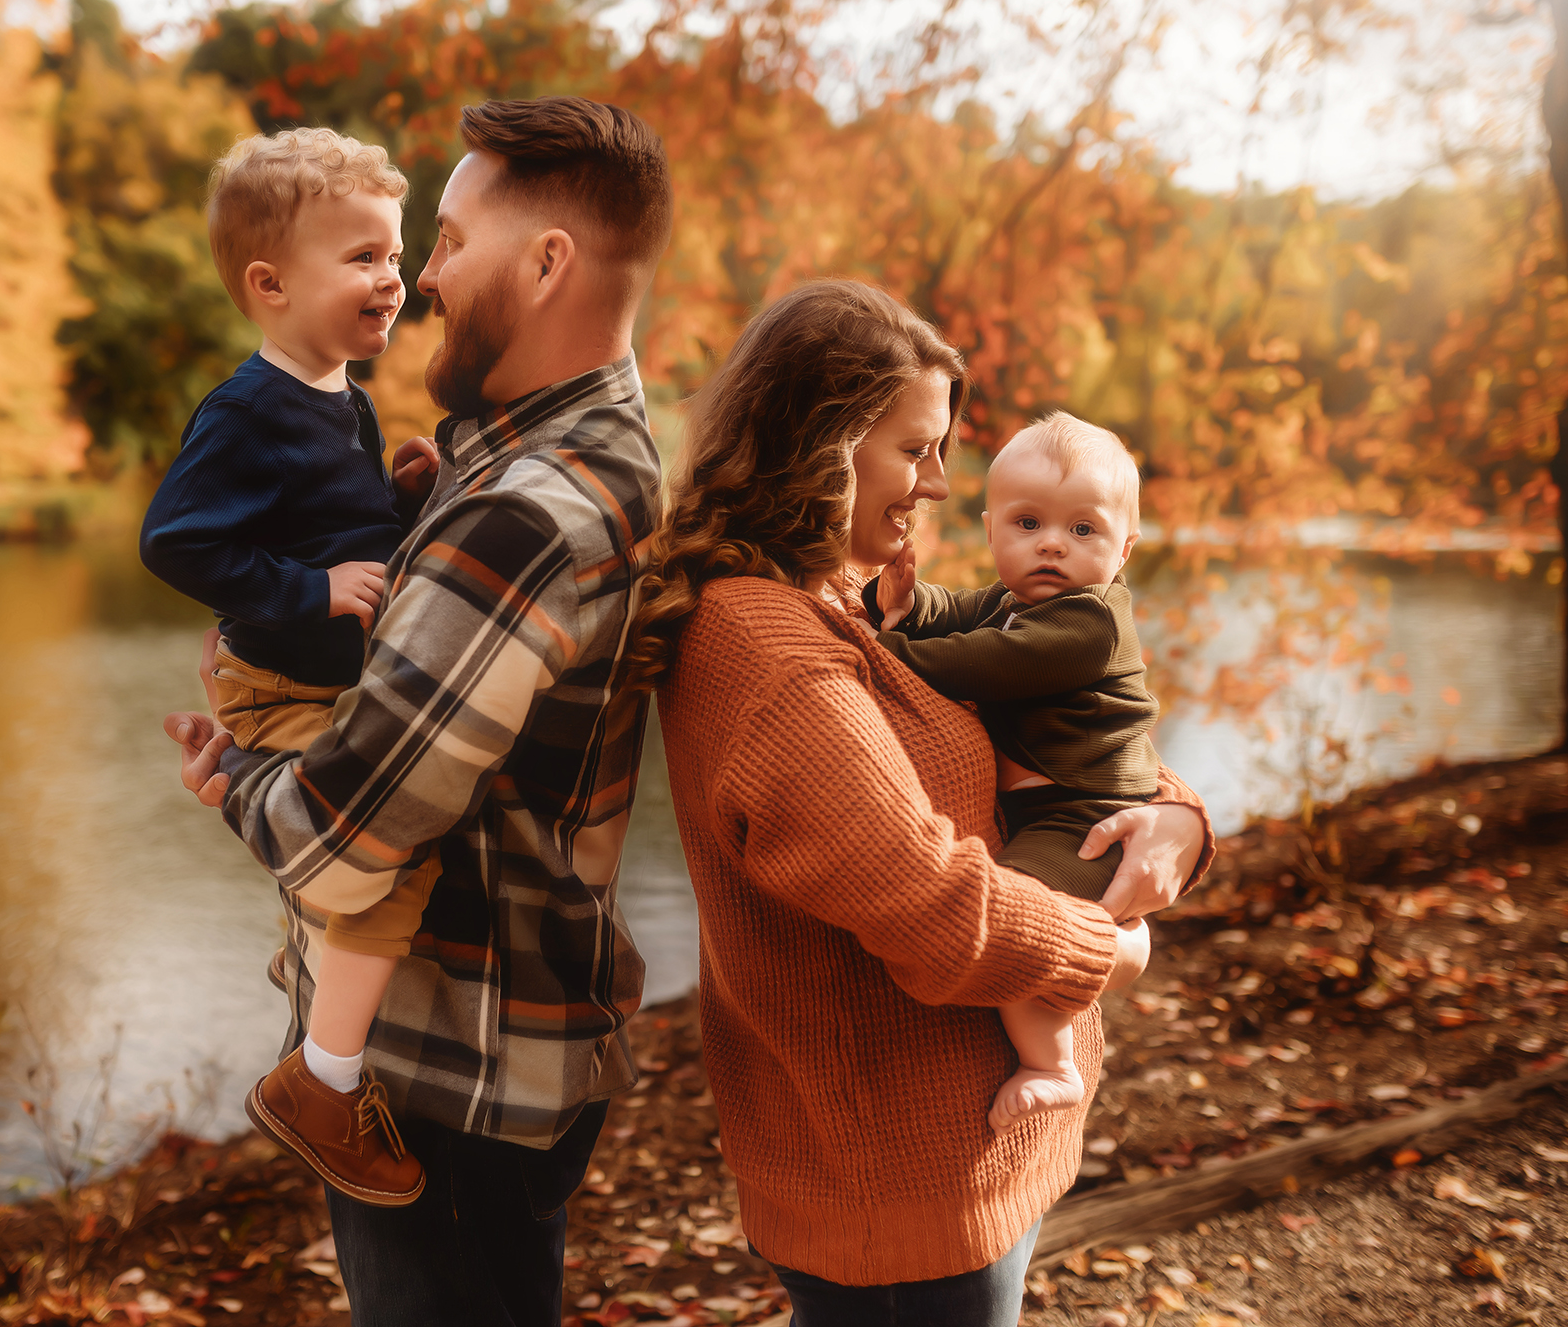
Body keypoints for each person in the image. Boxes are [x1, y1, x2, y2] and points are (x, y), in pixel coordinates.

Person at [165, 97, 673, 1325]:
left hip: (449, 1077)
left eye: (442, 240)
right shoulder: (559, 452)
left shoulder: (525, 508)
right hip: (502, 1048)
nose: (422, 276)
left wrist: (232, 775)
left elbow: (344, 836)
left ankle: (314, 1077)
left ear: (546, 261)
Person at [623, 280, 1211, 1325]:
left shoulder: (838, 597)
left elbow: (1059, 725)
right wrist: (1109, 950)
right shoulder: (774, 651)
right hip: (893, 1177)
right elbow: (935, 906)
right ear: (822, 442)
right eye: (914, 448)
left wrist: (1174, 814)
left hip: (956, 1154)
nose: (937, 485)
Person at [138, 128, 445, 1207]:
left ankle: (227, 769)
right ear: (268, 285)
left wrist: (401, 495)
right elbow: (176, 541)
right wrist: (302, 595)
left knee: (366, 851)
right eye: (360, 255)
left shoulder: (343, 397)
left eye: (393, 251)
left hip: (318, 682)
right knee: (384, 848)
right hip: (285, 681)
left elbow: (335, 526)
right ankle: (322, 1079)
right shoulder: (247, 410)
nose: (391, 274)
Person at [864, 411, 1161, 1135]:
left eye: (1083, 530)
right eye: (1028, 523)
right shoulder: (1013, 601)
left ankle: (1052, 1064)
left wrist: (879, 655)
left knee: (1019, 918)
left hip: (1084, 817)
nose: (1052, 543)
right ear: (993, 530)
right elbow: (959, 617)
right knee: (1018, 912)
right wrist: (906, 604)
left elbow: (980, 660)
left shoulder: (1089, 622)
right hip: (1051, 809)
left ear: (1123, 551)